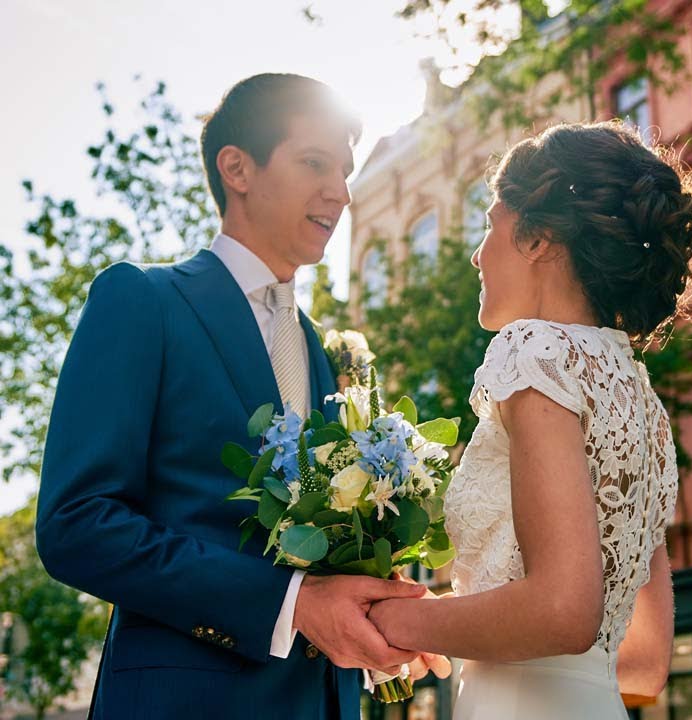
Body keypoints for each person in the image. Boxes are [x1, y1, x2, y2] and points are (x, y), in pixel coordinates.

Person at [35, 73, 429, 719]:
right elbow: (76, 524)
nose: (342, 191)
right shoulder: (143, 301)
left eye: (346, 169)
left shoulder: (332, 355)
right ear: (237, 168)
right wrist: (291, 605)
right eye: (314, 163)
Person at [367, 121, 692, 719]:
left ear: (537, 238)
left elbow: (560, 610)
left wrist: (392, 619)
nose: (478, 254)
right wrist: (454, 624)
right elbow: (645, 660)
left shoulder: (536, 351)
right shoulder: (640, 399)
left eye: (489, 225)